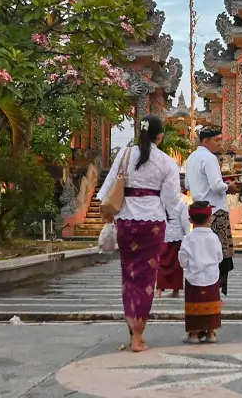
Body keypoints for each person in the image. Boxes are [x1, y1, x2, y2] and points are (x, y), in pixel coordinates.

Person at [95, 115, 181, 353]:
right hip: (152, 224)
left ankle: (133, 331)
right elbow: (172, 201)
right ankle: (137, 336)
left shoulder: (124, 155)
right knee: (146, 281)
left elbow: (106, 191)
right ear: (160, 136)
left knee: (129, 277)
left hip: (125, 222)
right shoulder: (166, 162)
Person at [183, 126, 238, 296]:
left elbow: (187, 185)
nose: (220, 144)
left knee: (202, 251)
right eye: (217, 140)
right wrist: (229, 186)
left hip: (199, 209)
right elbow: (216, 185)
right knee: (219, 252)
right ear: (206, 141)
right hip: (216, 211)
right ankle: (216, 287)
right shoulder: (209, 158)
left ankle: (201, 286)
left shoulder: (191, 158)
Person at [179, 200, 223, 343]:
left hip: (194, 278)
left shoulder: (188, 238)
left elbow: (183, 260)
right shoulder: (214, 238)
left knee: (194, 306)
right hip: (212, 277)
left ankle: (193, 334)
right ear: (210, 218)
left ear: (190, 219)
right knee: (211, 305)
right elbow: (219, 257)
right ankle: (211, 333)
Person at [158, 197, 191, 298]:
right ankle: (175, 290)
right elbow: (185, 221)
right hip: (177, 236)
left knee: (162, 263)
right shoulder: (181, 204)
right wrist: (188, 235)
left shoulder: (161, 202)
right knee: (176, 264)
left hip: (163, 235)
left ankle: (158, 290)